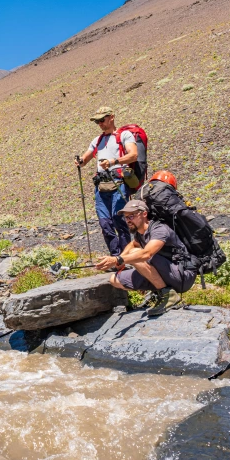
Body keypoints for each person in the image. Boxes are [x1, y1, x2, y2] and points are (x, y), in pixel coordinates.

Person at [95, 200, 196, 316]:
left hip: (182, 276)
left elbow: (146, 254)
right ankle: (160, 291)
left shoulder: (159, 230)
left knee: (137, 254)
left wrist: (117, 260)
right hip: (165, 273)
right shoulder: (139, 233)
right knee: (114, 279)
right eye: (126, 217)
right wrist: (120, 258)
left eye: (131, 216)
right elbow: (133, 244)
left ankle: (168, 296)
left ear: (144, 214)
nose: (128, 220)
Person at [75, 106, 138, 256]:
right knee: (105, 224)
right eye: (97, 121)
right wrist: (80, 161)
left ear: (111, 117)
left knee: (119, 221)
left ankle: (125, 257)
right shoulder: (97, 140)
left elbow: (133, 155)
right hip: (101, 186)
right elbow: (85, 159)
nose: (100, 124)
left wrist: (113, 162)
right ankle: (115, 256)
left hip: (118, 183)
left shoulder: (125, 135)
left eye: (102, 120)